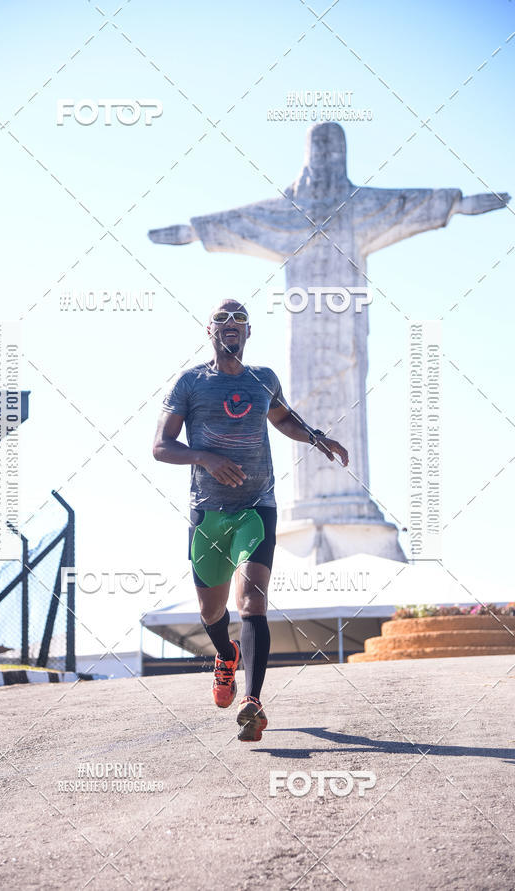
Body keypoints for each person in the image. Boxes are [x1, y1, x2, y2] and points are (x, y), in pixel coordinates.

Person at [152, 299, 349, 742]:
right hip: (208, 512)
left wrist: (316, 437)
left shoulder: (264, 379)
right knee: (212, 610)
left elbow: (283, 419)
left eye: (240, 320)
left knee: (253, 603)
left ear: (248, 332)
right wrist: (205, 457)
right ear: (210, 331)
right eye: (222, 319)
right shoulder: (190, 382)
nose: (231, 325)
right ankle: (226, 656)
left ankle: (252, 701)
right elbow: (161, 446)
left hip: (258, 507)